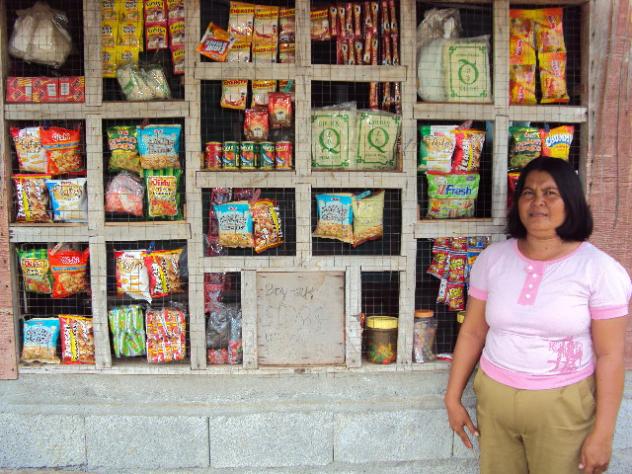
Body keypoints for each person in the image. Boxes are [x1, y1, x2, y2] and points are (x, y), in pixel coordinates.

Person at [444, 157, 631, 474]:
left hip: (563, 406)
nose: (537, 202)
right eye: (528, 193)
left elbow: (610, 355)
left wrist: (603, 434)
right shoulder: (493, 259)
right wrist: (452, 397)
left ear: (571, 201)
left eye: (550, 193)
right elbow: (473, 332)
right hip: (495, 400)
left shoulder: (599, 270)